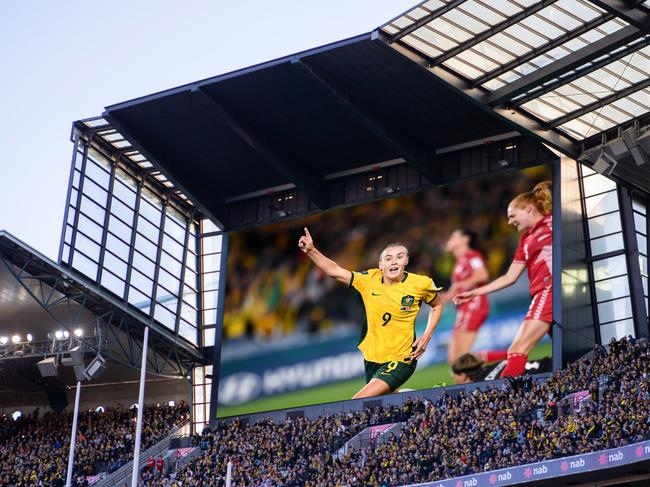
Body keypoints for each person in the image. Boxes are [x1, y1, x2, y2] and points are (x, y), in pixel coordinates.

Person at [298, 227, 444, 398]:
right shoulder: (369, 280)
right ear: (380, 265)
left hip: (402, 357)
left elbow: (437, 305)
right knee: (383, 400)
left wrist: (426, 336)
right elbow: (334, 271)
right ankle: (426, 400)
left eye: (399, 257)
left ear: (406, 261)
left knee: (358, 401)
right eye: (388, 259)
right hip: (373, 358)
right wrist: (311, 251)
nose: (394, 262)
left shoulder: (421, 283)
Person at [455, 181, 552, 378]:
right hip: (543, 295)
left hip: (548, 291)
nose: (509, 222)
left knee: (516, 349)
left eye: (512, 216)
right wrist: (476, 292)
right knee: (562, 347)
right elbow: (510, 277)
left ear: (528, 209)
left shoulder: (555, 222)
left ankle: (507, 400)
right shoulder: (526, 241)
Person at [442, 228, 494, 364]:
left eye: (454, 237)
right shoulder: (460, 262)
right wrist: (446, 296)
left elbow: (482, 274)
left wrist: (458, 285)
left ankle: (511, 357)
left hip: (474, 305)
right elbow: (460, 288)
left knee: (461, 358)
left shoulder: (472, 256)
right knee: (453, 358)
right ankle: (507, 357)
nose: (450, 240)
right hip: (463, 309)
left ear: (465, 240)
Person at [451, 352, 552, 383]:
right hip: (548, 363)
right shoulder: (493, 366)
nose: (455, 381)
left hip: (550, 373)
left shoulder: (484, 383)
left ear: (463, 375)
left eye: (455, 377)